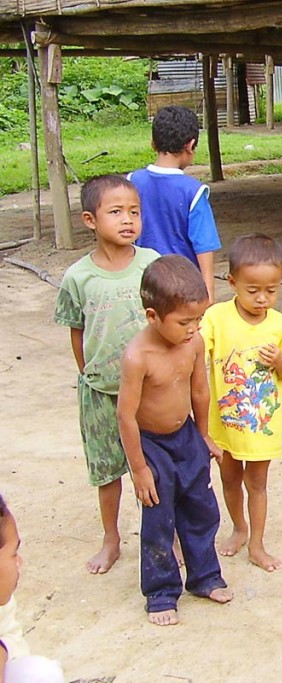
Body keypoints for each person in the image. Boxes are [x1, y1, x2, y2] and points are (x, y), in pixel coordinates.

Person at [53, 175, 161, 574]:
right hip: (100, 392)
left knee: (155, 467)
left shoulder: (151, 264)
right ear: (89, 220)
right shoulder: (78, 278)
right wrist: (89, 375)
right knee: (107, 470)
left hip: (150, 392)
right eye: (115, 212)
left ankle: (165, 536)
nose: (127, 220)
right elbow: (76, 331)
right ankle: (111, 538)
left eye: (134, 211)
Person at [117, 255, 233, 626]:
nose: (194, 328)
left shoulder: (193, 343)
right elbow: (125, 415)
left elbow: (200, 389)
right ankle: (162, 592)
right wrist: (139, 469)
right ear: (153, 317)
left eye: (199, 319)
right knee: (159, 518)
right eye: (184, 321)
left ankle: (205, 577)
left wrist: (203, 436)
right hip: (151, 445)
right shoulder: (138, 356)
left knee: (201, 507)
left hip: (186, 437)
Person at [202, 234, 282, 572]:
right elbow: (195, 353)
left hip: (262, 425)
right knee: (229, 478)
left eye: (271, 290)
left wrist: (278, 362)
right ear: (232, 283)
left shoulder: (279, 325)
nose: (262, 299)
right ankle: (239, 528)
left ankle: (257, 543)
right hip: (225, 424)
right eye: (253, 290)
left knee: (256, 483)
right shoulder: (216, 318)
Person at [129, 105, 221, 302]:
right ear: (190, 145)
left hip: (143, 282)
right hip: (183, 286)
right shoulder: (194, 191)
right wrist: (208, 292)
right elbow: (203, 246)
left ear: (153, 144)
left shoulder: (131, 182)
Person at [0, 494, 65, 683]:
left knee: (40, 674)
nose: (19, 562)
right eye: (13, 554)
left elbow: (10, 637)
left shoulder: (3, 601)